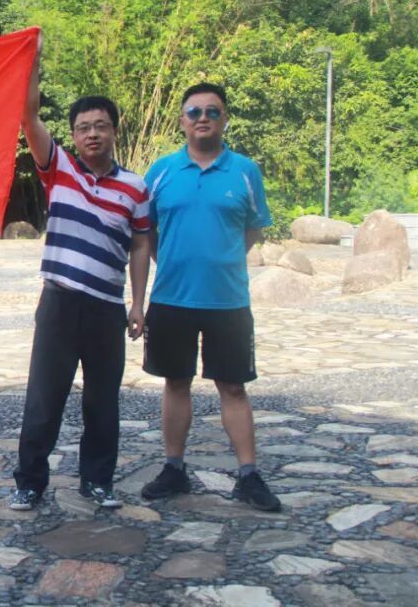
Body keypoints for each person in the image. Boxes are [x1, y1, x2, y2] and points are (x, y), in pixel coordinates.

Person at [10, 43, 151, 511]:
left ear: (114, 131)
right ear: (73, 134)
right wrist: (33, 60)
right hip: (60, 301)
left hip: (107, 307)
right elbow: (29, 117)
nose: (93, 134)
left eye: (101, 126)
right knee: (43, 399)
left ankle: (97, 481)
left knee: (102, 402)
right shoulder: (59, 169)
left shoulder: (135, 187)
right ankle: (30, 482)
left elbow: (140, 245)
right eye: (84, 127)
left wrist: (137, 302)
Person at [139, 82, 281, 512]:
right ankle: (173, 468)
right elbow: (146, 232)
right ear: (182, 120)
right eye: (195, 111)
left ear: (225, 119)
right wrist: (173, 263)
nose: (203, 118)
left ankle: (248, 475)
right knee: (175, 382)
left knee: (233, 387)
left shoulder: (245, 171)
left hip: (229, 302)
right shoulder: (161, 172)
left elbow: (253, 228)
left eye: (213, 112)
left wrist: (222, 261)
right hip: (172, 298)